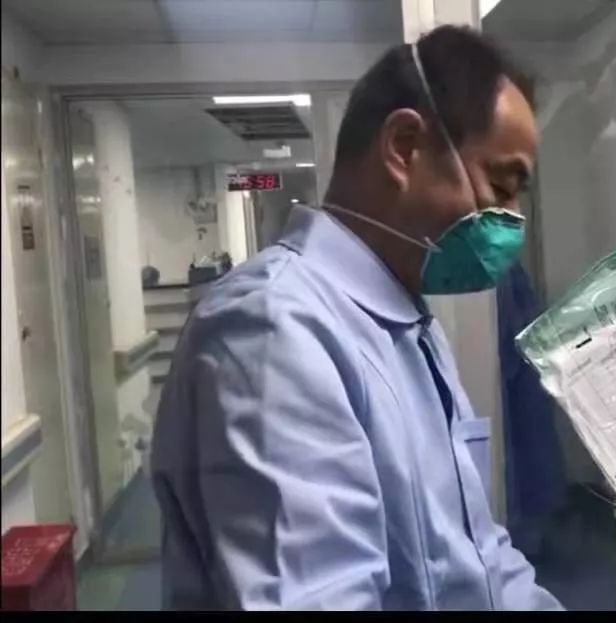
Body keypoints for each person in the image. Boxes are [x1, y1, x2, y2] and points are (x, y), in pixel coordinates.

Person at [151, 25, 561, 611]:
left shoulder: (407, 325)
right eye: (499, 184)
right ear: (404, 146)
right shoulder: (273, 332)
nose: (512, 220)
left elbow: (478, 554)